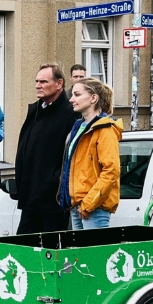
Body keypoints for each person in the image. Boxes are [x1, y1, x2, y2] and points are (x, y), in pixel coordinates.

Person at [14, 64, 80, 234]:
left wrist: (55, 182)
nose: (38, 85)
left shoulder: (70, 113)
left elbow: (73, 156)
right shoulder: (36, 109)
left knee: (51, 252)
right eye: (37, 81)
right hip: (30, 197)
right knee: (24, 251)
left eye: (43, 81)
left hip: (53, 201)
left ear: (59, 83)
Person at [60, 78, 121, 230]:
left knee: (94, 253)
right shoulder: (80, 127)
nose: (72, 99)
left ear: (93, 98)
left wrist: (89, 203)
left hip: (94, 207)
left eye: (77, 94)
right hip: (78, 204)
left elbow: (111, 171)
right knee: (80, 253)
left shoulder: (105, 129)